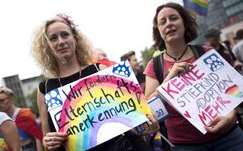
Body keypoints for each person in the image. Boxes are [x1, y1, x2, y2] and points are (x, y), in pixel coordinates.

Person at [30, 14, 158, 151]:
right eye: (53, 38)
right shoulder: (45, 89)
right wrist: (49, 142)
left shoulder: (100, 70)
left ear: (75, 39)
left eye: (65, 35)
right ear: (47, 46)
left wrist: (146, 123)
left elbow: (133, 115)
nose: (60, 41)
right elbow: (46, 137)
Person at [144, 2, 243, 151]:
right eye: (163, 21)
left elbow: (234, 90)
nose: (169, 24)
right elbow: (149, 107)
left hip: (230, 138)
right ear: (159, 30)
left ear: (184, 23)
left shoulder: (206, 52)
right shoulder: (154, 65)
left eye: (174, 18)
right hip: (185, 145)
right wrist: (168, 81)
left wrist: (230, 115)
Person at [0, 86, 43, 151]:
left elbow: (37, 137)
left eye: (1, 100)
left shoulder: (25, 114)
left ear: (11, 99)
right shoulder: (0, 120)